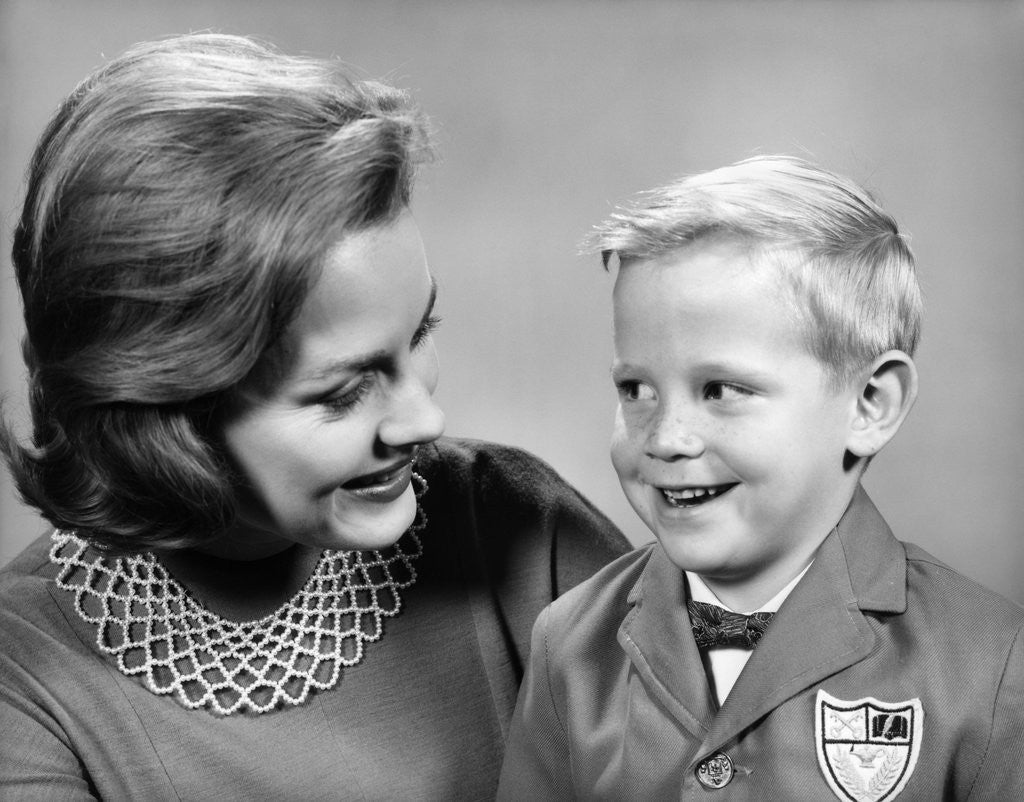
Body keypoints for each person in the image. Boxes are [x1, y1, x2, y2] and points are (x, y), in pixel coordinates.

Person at [0, 34, 629, 800]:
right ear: (163, 411)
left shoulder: (523, 532)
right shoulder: (25, 683)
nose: (423, 418)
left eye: (420, 334)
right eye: (341, 393)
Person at [498, 155, 1024, 800]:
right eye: (635, 389)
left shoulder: (989, 662)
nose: (665, 438)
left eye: (720, 390)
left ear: (871, 404)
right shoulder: (572, 644)